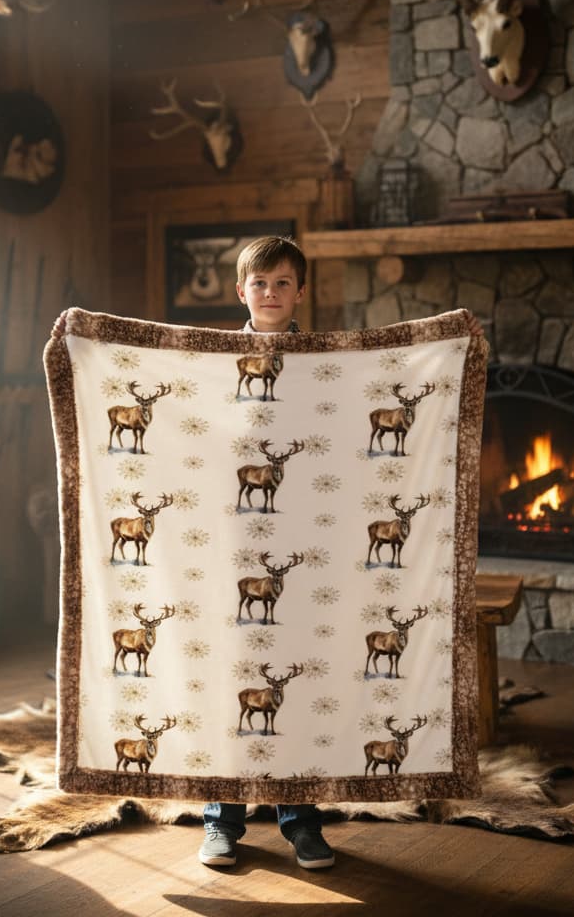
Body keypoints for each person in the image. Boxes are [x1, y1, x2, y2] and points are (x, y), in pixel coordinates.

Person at [198, 234, 336, 871]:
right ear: (241, 291)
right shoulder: (211, 359)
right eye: (261, 283)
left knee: (295, 683)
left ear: (301, 291)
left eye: (284, 283)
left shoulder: (329, 360)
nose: (272, 294)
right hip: (232, 541)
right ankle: (220, 820)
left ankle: (300, 822)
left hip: (303, 540)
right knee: (232, 678)